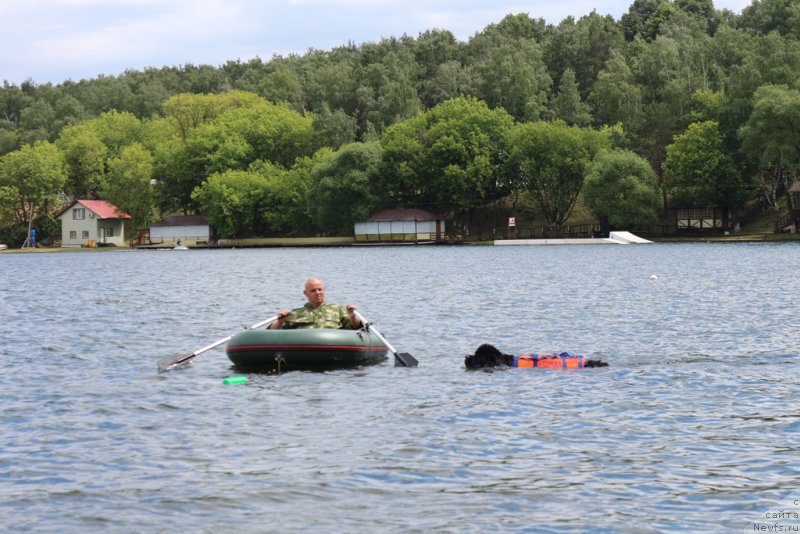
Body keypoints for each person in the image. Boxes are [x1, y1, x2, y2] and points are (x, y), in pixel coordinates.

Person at [270, 277, 362, 330]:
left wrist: (352, 315)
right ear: (306, 293)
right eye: (313, 290)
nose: (318, 293)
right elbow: (272, 332)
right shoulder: (295, 313)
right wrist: (280, 321)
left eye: (320, 289)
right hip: (304, 347)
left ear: (324, 291)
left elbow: (355, 327)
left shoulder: (338, 309)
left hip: (333, 346)